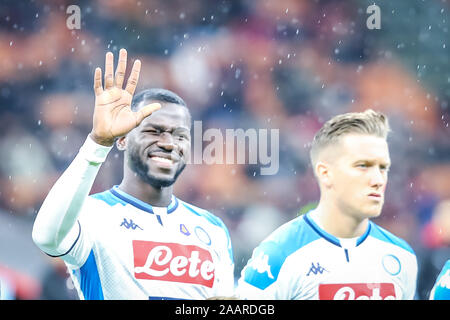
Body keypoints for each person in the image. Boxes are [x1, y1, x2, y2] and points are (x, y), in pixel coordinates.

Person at [32, 48, 234, 300]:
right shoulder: (93, 215)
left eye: (180, 135)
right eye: (154, 131)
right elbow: (46, 237)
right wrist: (97, 142)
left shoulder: (212, 228)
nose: (169, 143)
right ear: (123, 139)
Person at [236, 110, 418, 300]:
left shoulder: (403, 256)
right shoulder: (279, 253)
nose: (378, 180)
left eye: (383, 167)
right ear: (325, 173)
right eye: (362, 166)